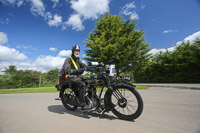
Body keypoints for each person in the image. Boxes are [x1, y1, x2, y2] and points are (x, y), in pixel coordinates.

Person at [63, 45, 92, 110]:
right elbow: (67, 70)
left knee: (92, 82)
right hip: (71, 78)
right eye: (76, 51)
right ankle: (83, 104)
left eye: (78, 51)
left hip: (78, 77)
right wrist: (77, 71)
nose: (77, 52)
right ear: (73, 51)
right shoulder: (68, 60)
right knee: (82, 85)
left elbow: (85, 67)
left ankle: (90, 98)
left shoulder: (78, 60)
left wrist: (95, 68)